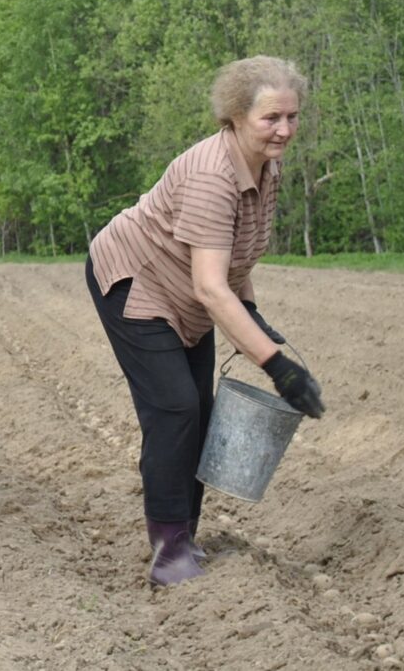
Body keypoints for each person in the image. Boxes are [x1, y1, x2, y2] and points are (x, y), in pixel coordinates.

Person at [85, 55, 325, 587]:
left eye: (292, 116)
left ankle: (184, 536)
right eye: (271, 119)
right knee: (175, 408)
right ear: (236, 117)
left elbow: (236, 255)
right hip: (136, 281)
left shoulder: (267, 166)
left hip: (188, 293)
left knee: (202, 408)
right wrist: (278, 366)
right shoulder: (212, 176)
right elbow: (211, 287)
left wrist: (253, 310)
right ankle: (168, 552)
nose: (284, 129)